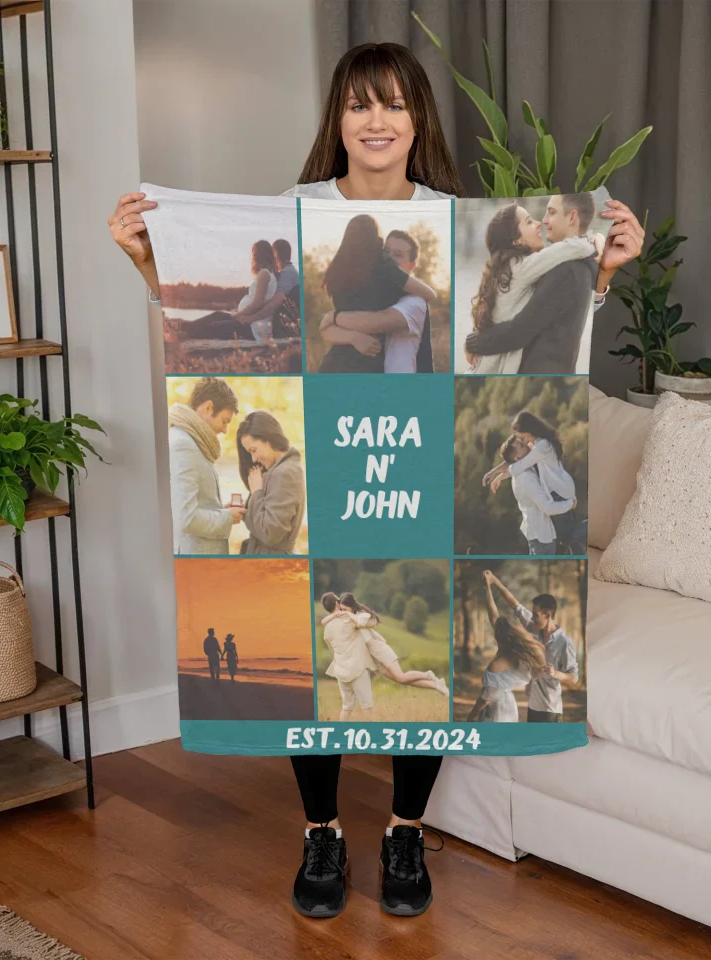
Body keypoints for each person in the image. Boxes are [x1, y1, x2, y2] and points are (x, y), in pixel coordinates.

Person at [108, 39, 643, 921]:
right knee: (310, 630)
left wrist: (607, 267)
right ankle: (321, 831)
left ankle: (403, 828)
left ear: (417, 118)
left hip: (416, 450)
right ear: (340, 119)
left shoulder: (451, 218)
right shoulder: (296, 210)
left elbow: (521, 335)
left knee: (420, 616)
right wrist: (142, 256)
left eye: (394, 103)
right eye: (361, 104)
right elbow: (215, 323)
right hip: (328, 442)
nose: (378, 119)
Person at [464, 193, 637, 374]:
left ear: (572, 217)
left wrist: (474, 342)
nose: (542, 221)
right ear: (516, 240)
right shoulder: (530, 266)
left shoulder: (564, 269)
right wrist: (595, 242)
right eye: (530, 222)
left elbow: (523, 328)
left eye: (551, 213)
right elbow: (521, 329)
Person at [316, 214, 437, 373]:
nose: (390, 258)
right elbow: (326, 330)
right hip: (357, 369)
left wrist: (334, 317)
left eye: (398, 254)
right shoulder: (382, 275)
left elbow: (376, 321)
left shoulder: (414, 301)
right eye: (386, 252)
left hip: (339, 368)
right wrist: (353, 337)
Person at [483, 411, 580, 554]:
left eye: (522, 436)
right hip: (557, 490)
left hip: (560, 491)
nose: (522, 440)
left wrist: (499, 477)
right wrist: (494, 471)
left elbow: (519, 464)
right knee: (568, 539)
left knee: (569, 537)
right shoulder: (535, 443)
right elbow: (515, 459)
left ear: (529, 430)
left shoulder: (542, 446)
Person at [168, 378, 246, 556]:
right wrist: (226, 518)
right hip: (196, 559)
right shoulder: (183, 445)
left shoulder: (193, 441)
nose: (225, 430)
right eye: (224, 421)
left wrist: (219, 511)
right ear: (208, 408)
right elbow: (186, 518)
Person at [487, 575, 579, 722]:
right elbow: (515, 605)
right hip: (532, 705)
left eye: (536, 615)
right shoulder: (533, 627)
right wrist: (493, 581)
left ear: (548, 615)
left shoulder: (564, 642)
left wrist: (555, 673)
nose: (532, 618)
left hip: (550, 710)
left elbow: (574, 678)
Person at [330, 592, 449, 695]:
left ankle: (428, 675)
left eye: (345, 609)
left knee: (401, 676)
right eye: (342, 610)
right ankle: (437, 686)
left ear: (352, 607)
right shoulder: (349, 619)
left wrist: (349, 615)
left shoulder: (361, 614)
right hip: (372, 657)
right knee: (401, 680)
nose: (344, 612)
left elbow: (361, 622)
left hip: (378, 649)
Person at [466, 572, 547, 722]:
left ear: (499, 637)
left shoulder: (495, 666)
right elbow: (493, 614)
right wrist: (488, 588)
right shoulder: (521, 656)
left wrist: (470, 717)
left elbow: (485, 700)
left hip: (496, 713)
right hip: (510, 707)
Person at [235, 410, 306, 555]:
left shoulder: (284, 473)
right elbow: (262, 520)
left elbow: (269, 533)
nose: (253, 459)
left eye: (254, 450)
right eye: (250, 453)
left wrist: (256, 493)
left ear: (268, 439)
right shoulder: (278, 470)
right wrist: (242, 510)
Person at [496, 434, 575, 556]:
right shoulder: (526, 478)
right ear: (517, 457)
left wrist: (495, 474)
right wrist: (570, 503)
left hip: (538, 534)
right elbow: (547, 508)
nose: (527, 445)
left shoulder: (523, 470)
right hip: (543, 537)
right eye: (522, 445)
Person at [319, 592, 379, 722]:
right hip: (357, 669)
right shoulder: (347, 620)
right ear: (337, 603)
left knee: (346, 708)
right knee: (367, 707)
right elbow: (369, 622)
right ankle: (373, 737)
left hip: (340, 671)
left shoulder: (327, 629)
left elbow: (332, 651)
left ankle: (341, 735)